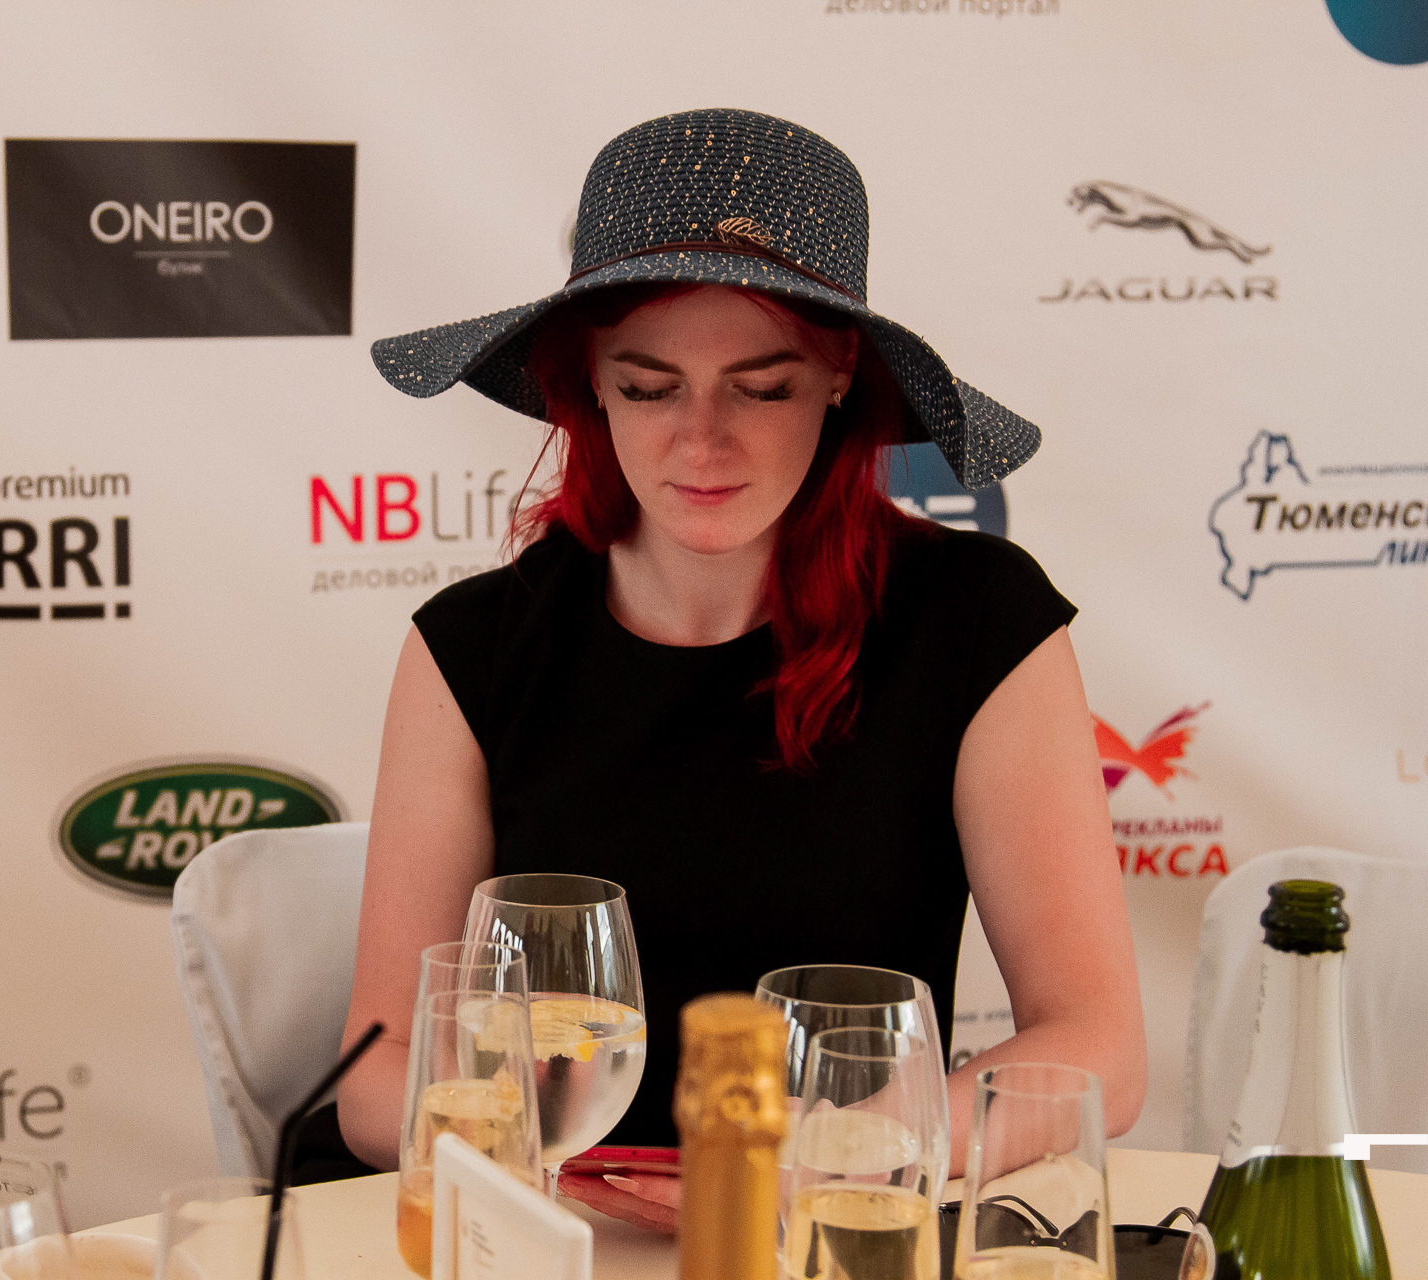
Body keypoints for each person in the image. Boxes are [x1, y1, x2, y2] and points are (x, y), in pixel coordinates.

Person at [331, 108, 1146, 1229]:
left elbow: (1099, 1049)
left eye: (762, 388)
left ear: (840, 372)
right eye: (649, 386)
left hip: (835, 1230)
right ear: (588, 379)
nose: (702, 440)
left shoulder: (978, 623)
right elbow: (377, 1078)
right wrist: (557, 1177)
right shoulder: (470, 647)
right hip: (546, 1230)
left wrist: (807, 1169)